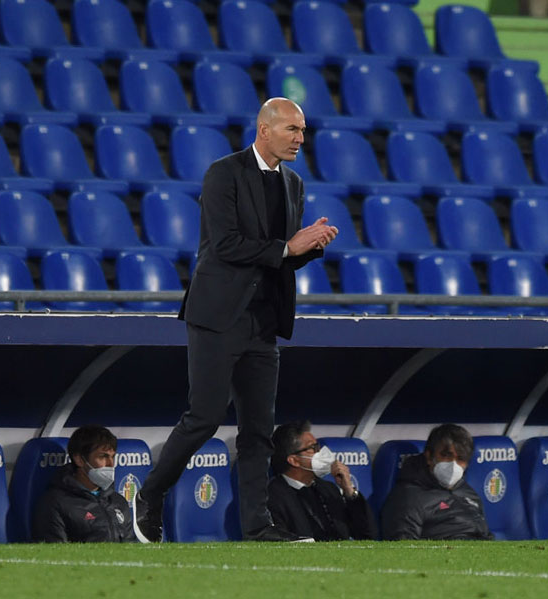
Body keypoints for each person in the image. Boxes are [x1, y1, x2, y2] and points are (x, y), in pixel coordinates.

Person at [133, 98, 338, 544]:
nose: (300, 139)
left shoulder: (294, 183)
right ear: (264, 130)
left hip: (263, 321)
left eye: (303, 131)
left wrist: (308, 248)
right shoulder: (224, 173)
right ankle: (149, 495)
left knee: (259, 433)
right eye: (292, 130)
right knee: (204, 418)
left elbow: (276, 259)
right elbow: (225, 246)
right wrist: (289, 247)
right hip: (217, 316)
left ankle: (258, 527)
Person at [266, 421, 376, 541]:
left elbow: (367, 535)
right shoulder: (272, 497)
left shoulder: (329, 489)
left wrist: (349, 491)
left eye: (318, 447)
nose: (321, 453)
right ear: (294, 460)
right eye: (313, 448)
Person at [381, 424, 493, 540]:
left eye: (460, 459)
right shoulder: (408, 497)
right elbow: (403, 549)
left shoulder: (468, 493)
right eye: (446, 456)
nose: (453, 464)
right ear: (429, 456)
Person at [32, 425, 134, 543]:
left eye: (112, 457)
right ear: (79, 460)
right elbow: (54, 555)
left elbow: (131, 546)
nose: (111, 464)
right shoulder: (55, 503)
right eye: (103, 457)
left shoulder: (118, 501)